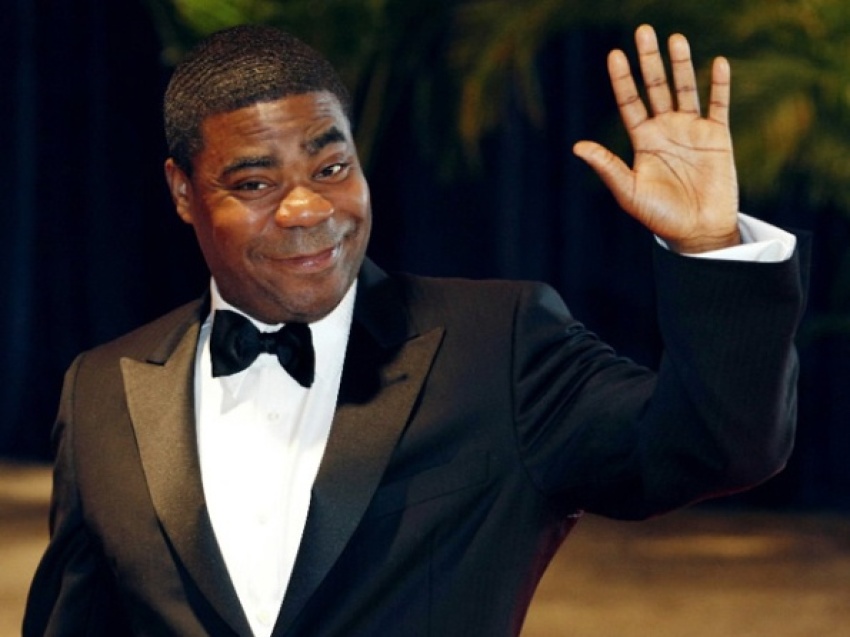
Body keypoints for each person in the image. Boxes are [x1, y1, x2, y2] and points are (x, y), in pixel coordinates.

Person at [24, 22, 807, 637]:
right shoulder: (101, 389)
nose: (306, 210)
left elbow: (715, 446)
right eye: (255, 182)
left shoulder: (496, 346)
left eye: (331, 168)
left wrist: (710, 249)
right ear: (183, 192)